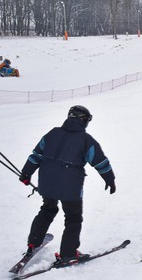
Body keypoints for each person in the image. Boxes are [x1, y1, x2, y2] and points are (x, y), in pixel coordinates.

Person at [19, 105, 116, 263]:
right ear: (84, 121)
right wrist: (110, 179)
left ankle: (33, 242)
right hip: (70, 188)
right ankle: (68, 253)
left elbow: (36, 155)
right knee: (73, 218)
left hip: (47, 183)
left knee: (47, 210)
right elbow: (100, 162)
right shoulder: (86, 140)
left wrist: (26, 173)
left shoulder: (52, 133)